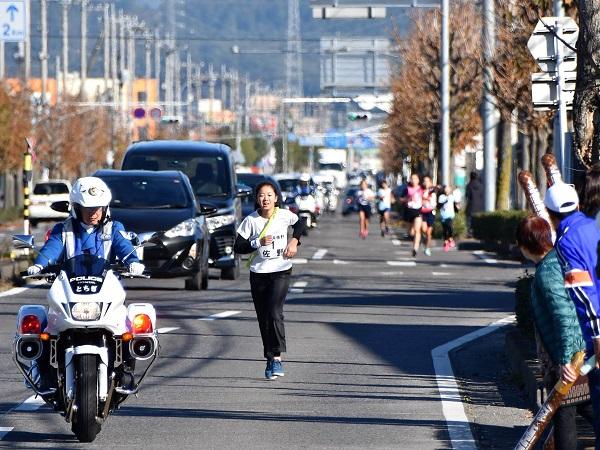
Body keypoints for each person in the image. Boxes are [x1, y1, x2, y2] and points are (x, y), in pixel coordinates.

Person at [26, 176, 145, 390]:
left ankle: (126, 369)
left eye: (98, 207)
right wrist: (39, 265)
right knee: (43, 324)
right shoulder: (64, 230)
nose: (94, 213)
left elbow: (125, 247)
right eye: (87, 208)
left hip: (105, 291)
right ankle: (43, 370)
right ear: (76, 208)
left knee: (129, 323)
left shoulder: (114, 228)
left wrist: (134, 262)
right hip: (70, 290)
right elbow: (51, 249)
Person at [517, 215, 593, 449]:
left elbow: (564, 316)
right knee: (586, 407)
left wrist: (565, 361)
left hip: (568, 359)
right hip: (580, 353)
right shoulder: (557, 259)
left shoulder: (547, 271)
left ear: (525, 245)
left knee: (564, 422)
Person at [544, 182, 600, 445]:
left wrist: (597, 339)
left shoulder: (566, 244)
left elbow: (583, 295)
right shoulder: (594, 226)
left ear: (550, 214)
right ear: (577, 205)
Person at [233, 180, 305, 380]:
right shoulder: (251, 221)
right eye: (261, 195)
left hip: (281, 269)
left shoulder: (283, 215)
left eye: (269, 195)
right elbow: (238, 247)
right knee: (264, 317)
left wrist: (294, 241)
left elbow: (300, 223)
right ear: (257, 199)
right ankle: (270, 358)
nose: (265, 199)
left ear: (276, 198)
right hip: (258, 273)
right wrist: (257, 242)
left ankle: (278, 358)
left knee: (274, 311)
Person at [400, 173, 423, 257]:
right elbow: (401, 199)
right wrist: (408, 199)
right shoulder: (407, 189)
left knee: (417, 230)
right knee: (411, 232)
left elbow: (427, 194)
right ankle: (416, 239)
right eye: (412, 178)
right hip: (409, 210)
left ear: (418, 180)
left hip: (418, 211)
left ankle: (415, 248)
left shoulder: (421, 189)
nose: (413, 180)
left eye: (415, 178)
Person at [420, 176, 437, 256]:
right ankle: (423, 241)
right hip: (422, 212)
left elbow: (434, 203)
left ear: (430, 182)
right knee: (423, 229)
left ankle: (427, 248)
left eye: (427, 181)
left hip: (431, 212)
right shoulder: (421, 190)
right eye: (424, 181)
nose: (425, 183)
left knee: (428, 232)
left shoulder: (432, 191)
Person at [438, 185, 456, 252]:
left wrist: (457, 208)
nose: (447, 190)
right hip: (443, 215)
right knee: (445, 229)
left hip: (450, 215)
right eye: (446, 189)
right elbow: (439, 205)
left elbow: (455, 204)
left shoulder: (452, 197)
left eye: (448, 189)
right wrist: (445, 200)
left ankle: (450, 239)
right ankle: (446, 243)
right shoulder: (441, 197)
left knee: (450, 227)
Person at [465, 171, 484, 236]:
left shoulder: (468, 186)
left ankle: (470, 233)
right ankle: (478, 232)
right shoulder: (481, 186)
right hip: (480, 206)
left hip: (471, 206)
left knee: (469, 220)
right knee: (479, 220)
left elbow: (467, 196)